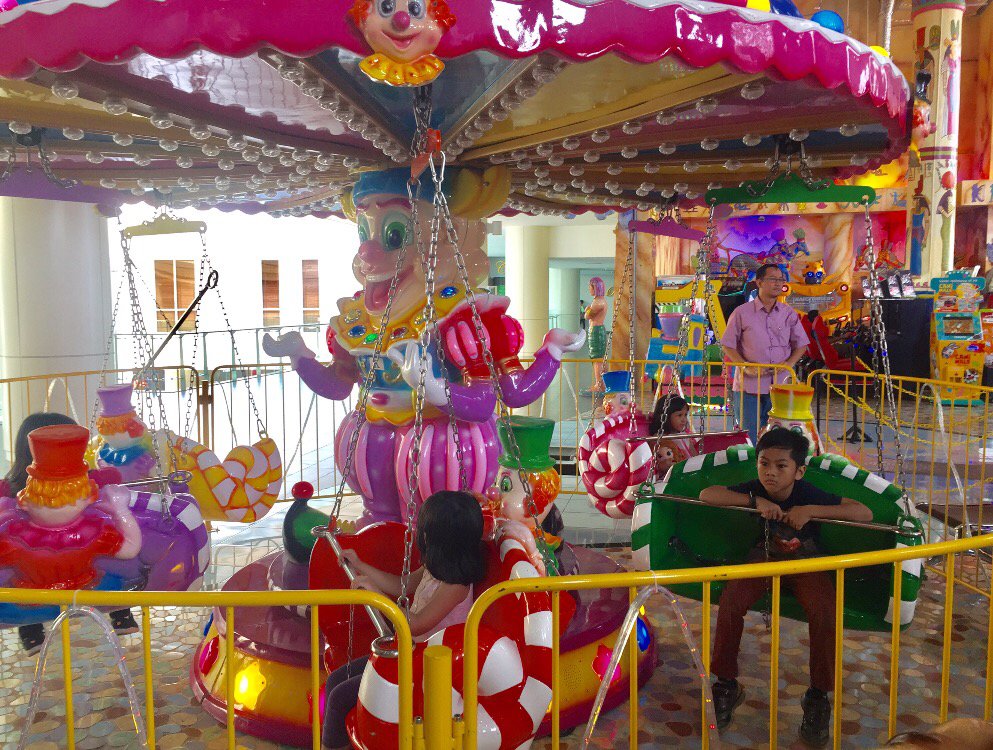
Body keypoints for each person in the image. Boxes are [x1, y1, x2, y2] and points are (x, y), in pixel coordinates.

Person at [699, 428, 872, 748]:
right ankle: (725, 683)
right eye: (764, 464)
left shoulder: (808, 492)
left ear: (798, 471)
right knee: (732, 601)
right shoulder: (756, 489)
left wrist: (812, 510)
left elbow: (864, 512)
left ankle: (818, 694)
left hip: (806, 561)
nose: (771, 472)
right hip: (764, 557)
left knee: (824, 610)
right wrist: (755, 501)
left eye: (781, 466)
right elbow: (708, 494)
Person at [321, 490, 486, 750]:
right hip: (408, 652)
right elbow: (402, 584)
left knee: (340, 697)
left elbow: (417, 623)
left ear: (438, 540)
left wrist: (375, 596)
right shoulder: (436, 568)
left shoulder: (456, 586)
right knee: (334, 682)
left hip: (425, 666)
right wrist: (360, 565)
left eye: (425, 531)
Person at [0, 412, 140, 655]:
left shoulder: (12, 488)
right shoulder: (85, 482)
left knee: (26, 582)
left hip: (60, 563)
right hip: (71, 560)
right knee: (110, 563)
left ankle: (31, 631)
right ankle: (121, 613)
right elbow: (113, 478)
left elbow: (112, 478)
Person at [721, 263, 809, 444]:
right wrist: (745, 366)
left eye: (781, 280)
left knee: (778, 438)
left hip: (780, 385)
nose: (778, 283)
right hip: (748, 385)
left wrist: (789, 363)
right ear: (759, 282)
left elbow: (801, 344)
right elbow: (727, 345)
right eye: (773, 279)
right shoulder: (741, 313)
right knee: (749, 436)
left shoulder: (788, 313)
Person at [649, 395, 699, 470]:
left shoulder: (684, 436)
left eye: (685, 415)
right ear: (666, 417)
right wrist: (661, 466)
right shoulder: (658, 438)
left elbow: (695, 456)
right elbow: (652, 464)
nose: (684, 420)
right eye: (679, 415)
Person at [585, 277, 608, 394]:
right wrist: (588, 309)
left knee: (597, 359)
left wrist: (587, 309)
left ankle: (599, 384)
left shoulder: (598, 302)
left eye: (590, 287)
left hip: (596, 331)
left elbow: (587, 316)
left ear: (595, 287)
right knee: (598, 358)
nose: (589, 289)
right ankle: (601, 383)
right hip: (595, 330)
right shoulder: (598, 301)